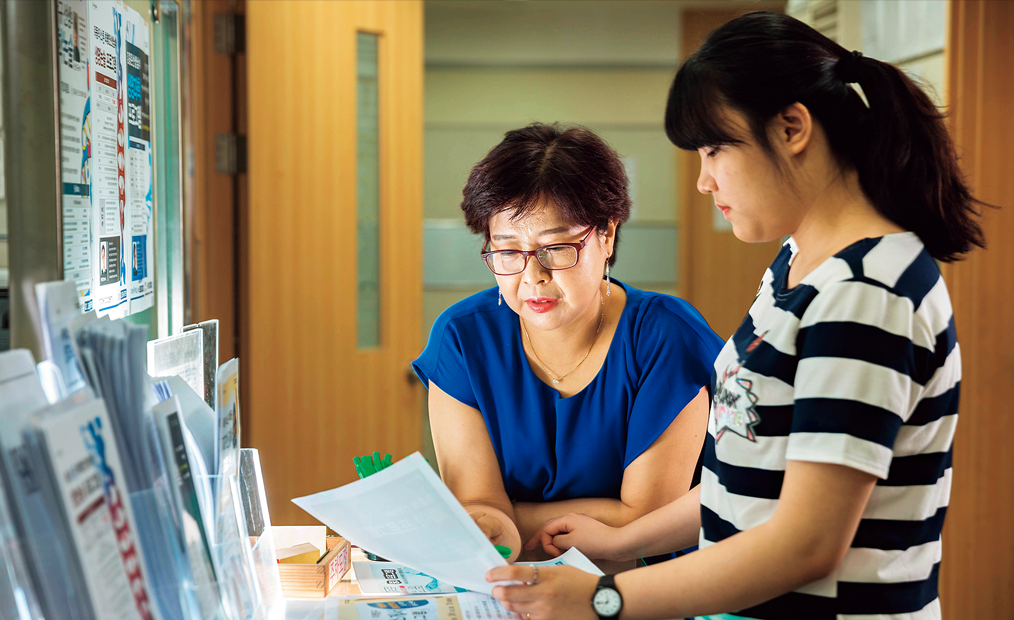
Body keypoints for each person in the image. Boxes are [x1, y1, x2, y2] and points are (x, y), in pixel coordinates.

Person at [486, 11, 985, 620]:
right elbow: (751, 475)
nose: (703, 180)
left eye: (716, 148)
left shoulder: (866, 292)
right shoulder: (799, 263)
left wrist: (603, 599)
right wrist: (623, 543)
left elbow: (806, 544)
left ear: (792, 128)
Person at [412, 123, 723, 570]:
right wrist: (492, 520)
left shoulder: (666, 335)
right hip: (518, 588)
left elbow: (647, 520)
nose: (532, 275)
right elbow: (479, 510)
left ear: (607, 235)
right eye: (507, 250)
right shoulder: (462, 338)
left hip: (650, 589)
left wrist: (509, 518)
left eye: (556, 248)